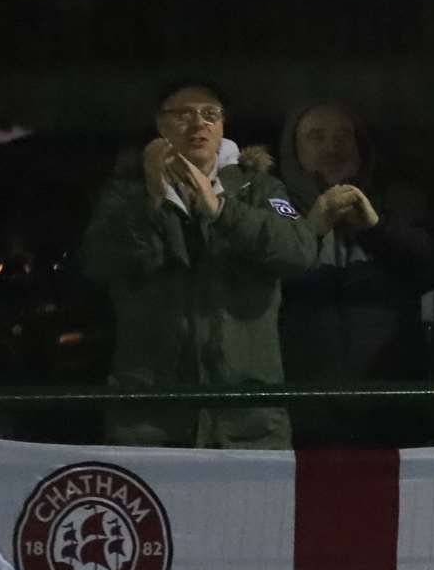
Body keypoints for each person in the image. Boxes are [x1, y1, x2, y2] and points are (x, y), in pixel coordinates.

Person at [80, 80, 339, 449]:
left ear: (222, 128)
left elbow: (297, 251)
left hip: (247, 419)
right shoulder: (124, 193)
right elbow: (99, 262)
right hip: (150, 422)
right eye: (182, 115)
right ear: (160, 127)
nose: (198, 124)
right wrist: (153, 200)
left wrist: (221, 210)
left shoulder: (261, 188)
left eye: (209, 114)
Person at [274, 102, 434, 447]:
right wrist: (311, 230)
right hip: (300, 410)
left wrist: (375, 230)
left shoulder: (398, 201)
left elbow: (431, 268)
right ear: (294, 150)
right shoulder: (274, 205)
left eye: (343, 136)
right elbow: (267, 273)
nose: (332, 147)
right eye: (316, 137)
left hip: (389, 408)